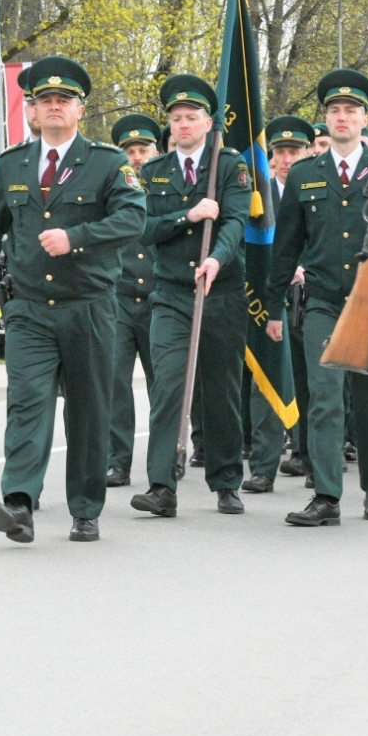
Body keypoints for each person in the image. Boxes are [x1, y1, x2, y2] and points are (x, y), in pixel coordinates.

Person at [0, 56, 145, 543]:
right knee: (27, 403)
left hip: (89, 307)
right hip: (28, 310)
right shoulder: (12, 165)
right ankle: (19, 503)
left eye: (64, 100)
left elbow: (132, 221)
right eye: (45, 101)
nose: (55, 107)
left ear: (80, 110)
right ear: (34, 113)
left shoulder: (109, 164)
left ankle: (85, 508)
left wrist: (77, 237)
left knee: (87, 409)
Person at [265, 69, 368, 527]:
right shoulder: (305, 173)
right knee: (323, 399)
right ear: (326, 118)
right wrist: (273, 304)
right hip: (321, 302)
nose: (342, 117)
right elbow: (285, 245)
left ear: (365, 119)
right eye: (335, 110)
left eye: (352, 110)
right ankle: (326, 495)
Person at [130, 72, 252, 520]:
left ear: (208, 122)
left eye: (192, 116)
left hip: (221, 293)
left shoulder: (230, 165)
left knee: (220, 391)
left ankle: (225, 481)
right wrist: (189, 215)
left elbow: (237, 222)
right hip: (172, 295)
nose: (183, 124)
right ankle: (162, 485)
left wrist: (216, 259)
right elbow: (143, 228)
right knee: (169, 386)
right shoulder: (154, 171)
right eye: (176, 118)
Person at [242, 115, 312, 494]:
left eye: (294, 151)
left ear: (306, 153)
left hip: (312, 298)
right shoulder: (259, 196)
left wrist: (307, 270)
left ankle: (311, 459)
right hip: (270, 300)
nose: (287, 158)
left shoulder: (316, 189)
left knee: (313, 382)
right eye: (281, 151)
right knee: (266, 381)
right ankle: (263, 467)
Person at [106, 112, 162, 489]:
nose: (137, 156)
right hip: (120, 299)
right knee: (115, 383)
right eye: (130, 150)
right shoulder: (109, 190)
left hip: (161, 299)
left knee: (165, 384)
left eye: (143, 149)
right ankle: (117, 461)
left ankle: (164, 457)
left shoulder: (170, 188)